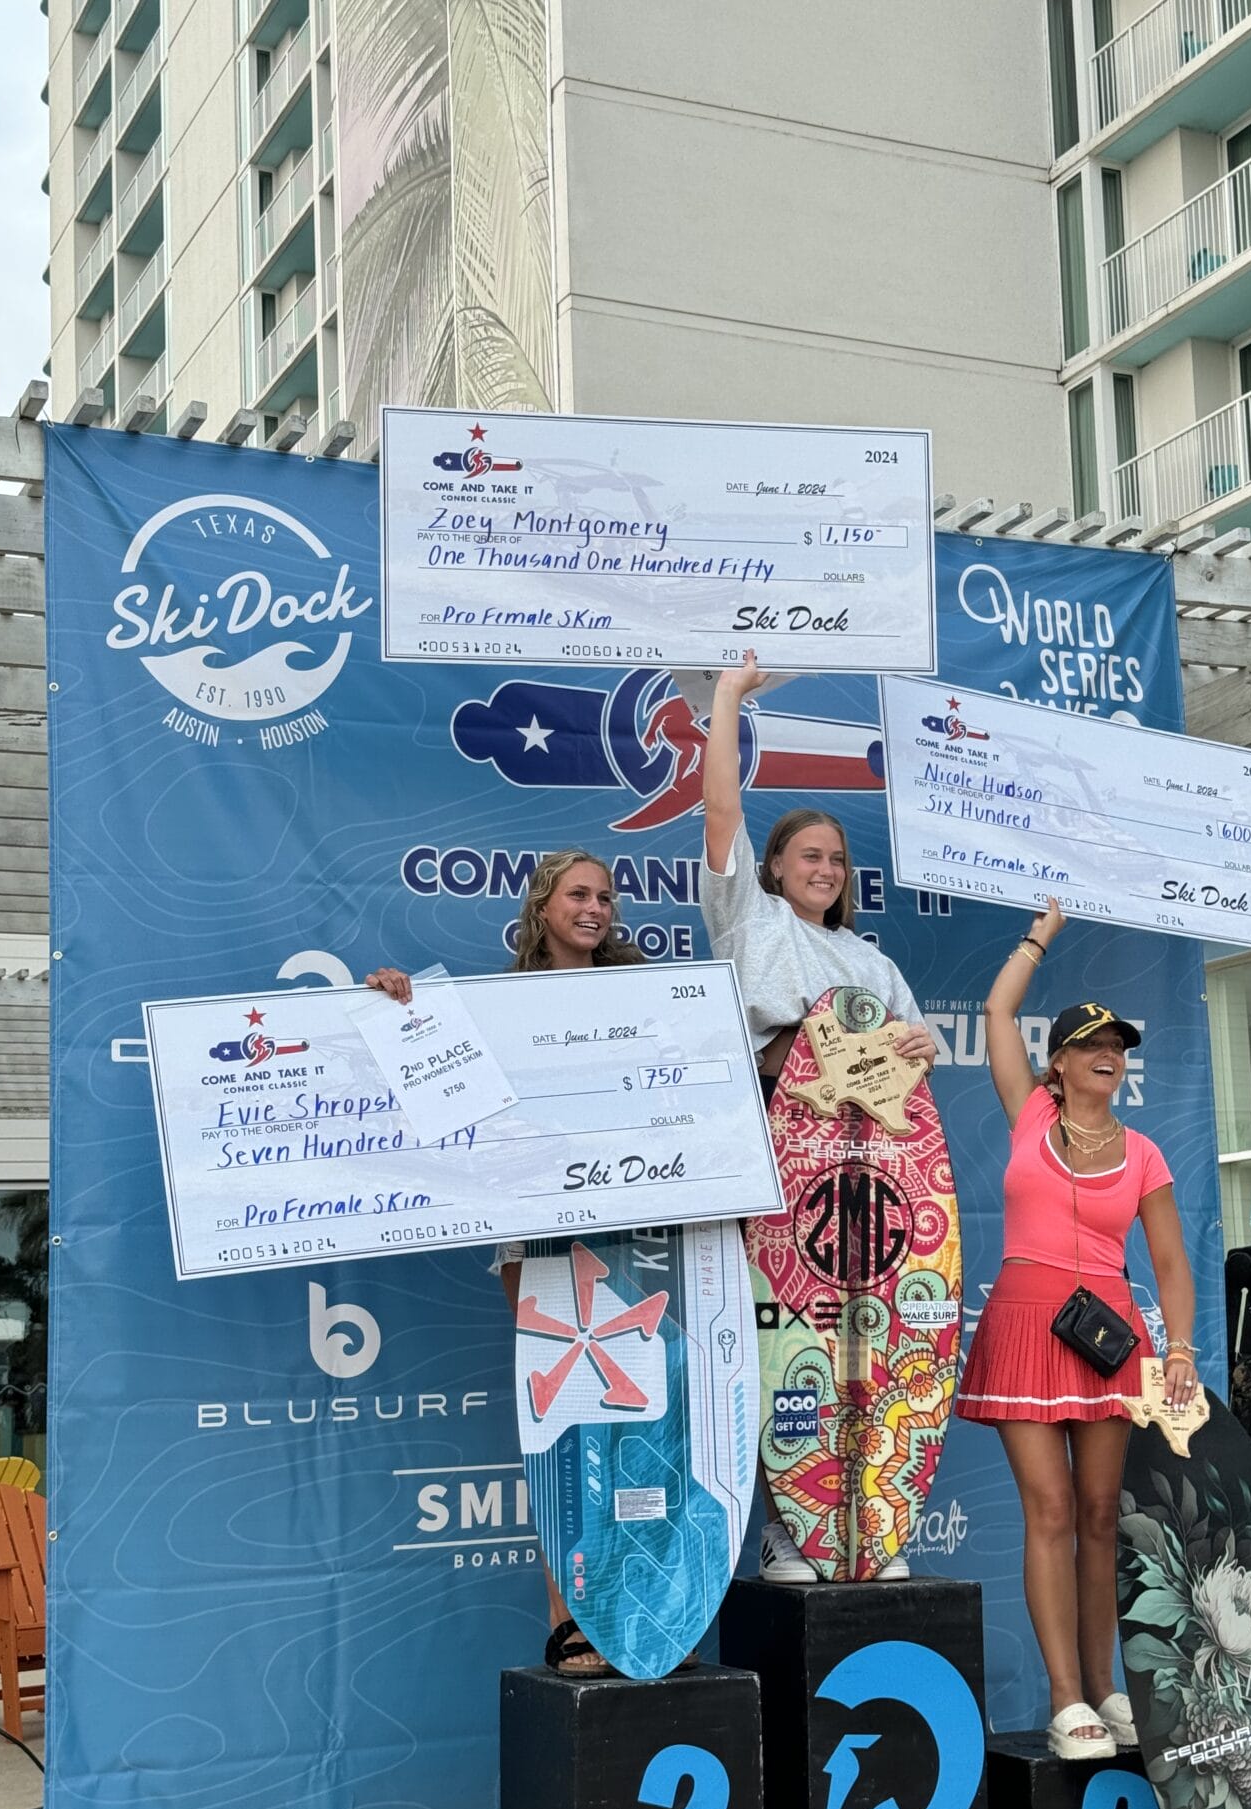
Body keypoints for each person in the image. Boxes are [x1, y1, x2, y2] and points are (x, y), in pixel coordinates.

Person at [366, 848, 641, 1676]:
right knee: (561, 1422)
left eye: (605, 896)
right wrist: (399, 1008)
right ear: (542, 905)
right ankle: (569, 1616)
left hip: (633, 1221)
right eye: (578, 895)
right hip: (535, 1227)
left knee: (631, 1425)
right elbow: (424, 1068)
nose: (594, 908)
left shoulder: (644, 994)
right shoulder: (492, 1004)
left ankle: (639, 1609)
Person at [701, 650, 938, 1583]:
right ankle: (788, 1529)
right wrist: (728, 696)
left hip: (871, 1175)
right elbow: (721, 807)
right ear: (772, 868)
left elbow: (911, 1075)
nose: (827, 869)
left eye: (838, 859)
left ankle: (864, 1529)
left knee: (868, 1342)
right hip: (777, 1150)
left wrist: (916, 1050)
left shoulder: (873, 965)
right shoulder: (751, 923)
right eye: (810, 854)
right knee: (784, 1339)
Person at [959, 900, 1198, 1759]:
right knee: (1052, 1508)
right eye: (1092, 1044)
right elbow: (995, 1012)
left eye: (1120, 1046)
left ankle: (1107, 1686)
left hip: (1112, 1339)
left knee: (1102, 1513)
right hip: (1026, 1323)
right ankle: (1066, 1699)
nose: (1110, 1054)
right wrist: (1039, 938)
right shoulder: (1028, 1112)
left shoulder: (1145, 1153)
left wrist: (1177, 1348)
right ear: (1056, 1063)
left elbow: (1171, 1264)